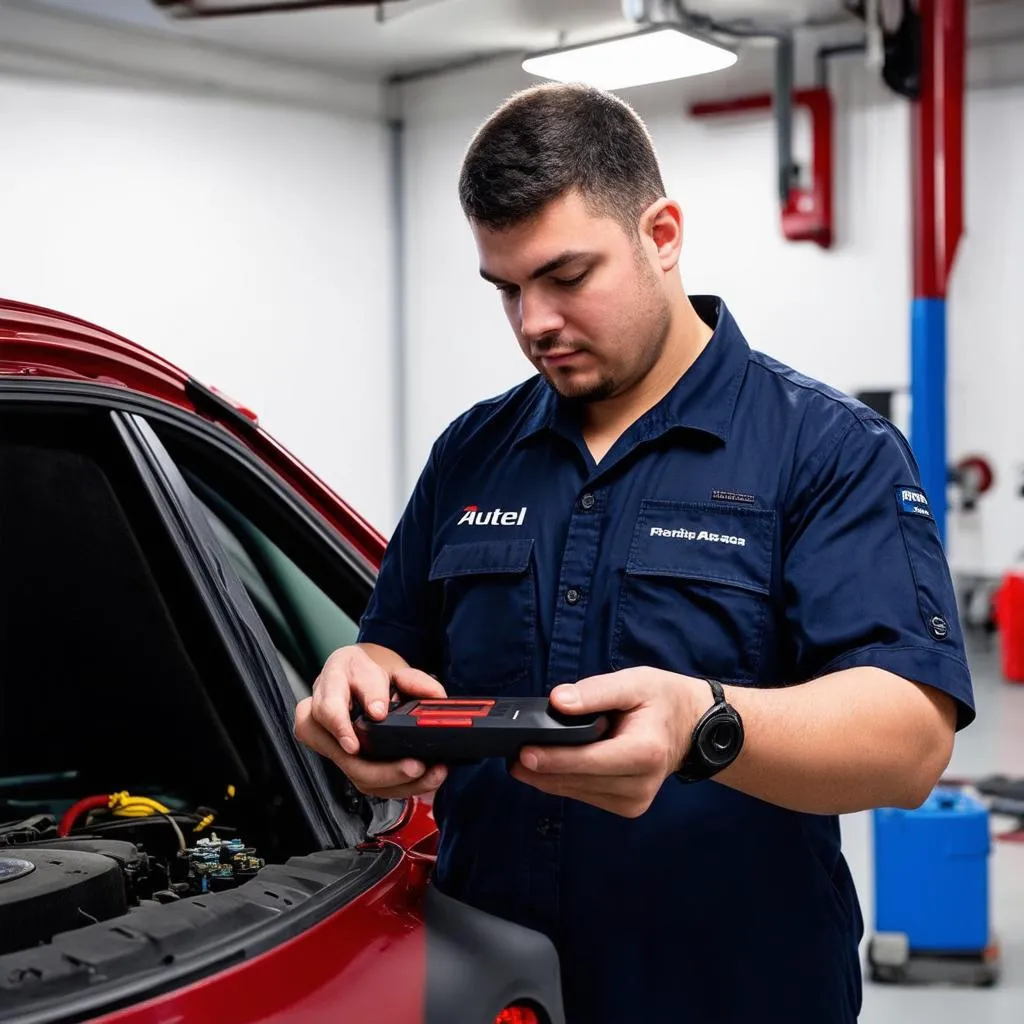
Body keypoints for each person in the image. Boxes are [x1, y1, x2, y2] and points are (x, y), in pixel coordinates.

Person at [295, 83, 975, 1023]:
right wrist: (357, 682)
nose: (533, 321)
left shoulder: (827, 449)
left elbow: (909, 740)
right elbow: (393, 649)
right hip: (494, 984)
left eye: (566, 276)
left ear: (661, 234)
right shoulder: (471, 451)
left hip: (730, 991)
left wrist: (704, 725)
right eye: (507, 289)